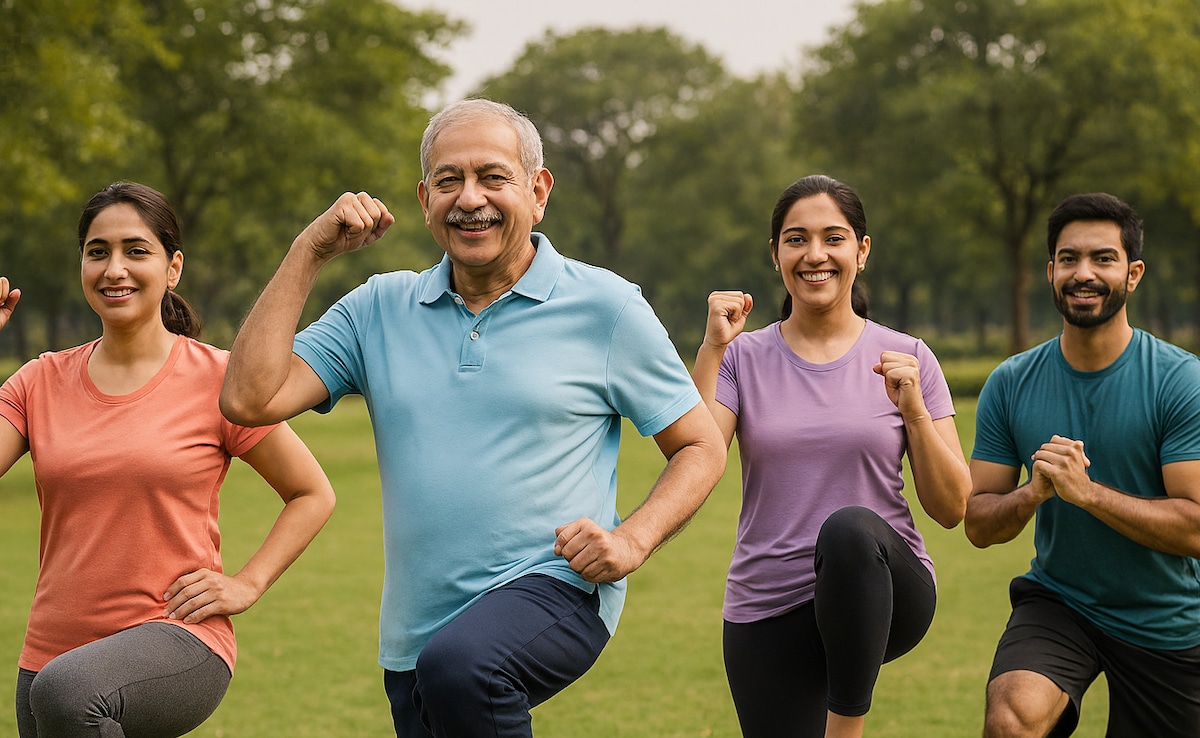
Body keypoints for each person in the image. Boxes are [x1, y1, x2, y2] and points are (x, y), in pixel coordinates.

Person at [218, 98, 727, 737]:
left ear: (538, 192)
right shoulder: (378, 308)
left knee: (465, 670)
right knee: (445, 671)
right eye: (449, 180)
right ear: (424, 197)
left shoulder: (606, 307)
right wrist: (309, 250)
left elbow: (701, 446)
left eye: (493, 176)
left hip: (558, 588)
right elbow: (249, 399)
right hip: (415, 634)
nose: (469, 198)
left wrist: (632, 538)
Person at [0, 182, 336, 738]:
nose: (114, 269)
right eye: (97, 251)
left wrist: (247, 584)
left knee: (70, 691)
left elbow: (311, 493)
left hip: (177, 638)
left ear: (172, 267)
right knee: (60, 688)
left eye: (136, 250)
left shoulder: (219, 381)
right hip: (50, 657)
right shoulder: (39, 381)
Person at [692, 174, 972, 738]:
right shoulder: (742, 357)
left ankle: (846, 727)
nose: (814, 255)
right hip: (767, 602)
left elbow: (952, 507)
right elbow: (695, 459)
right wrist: (712, 347)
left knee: (846, 531)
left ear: (861, 251)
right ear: (775, 255)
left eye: (833, 238)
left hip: (886, 586)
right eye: (796, 239)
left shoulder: (910, 357)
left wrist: (914, 411)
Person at [966, 192, 1200, 738]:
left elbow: (1195, 526)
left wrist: (1088, 493)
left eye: (1103, 258)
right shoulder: (1011, 382)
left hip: (1165, 616)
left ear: (1133, 273)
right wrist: (1032, 494)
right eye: (1069, 259)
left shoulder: (1179, 381)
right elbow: (977, 522)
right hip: (1061, 602)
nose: (1083, 273)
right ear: (1050, 272)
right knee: (1012, 717)